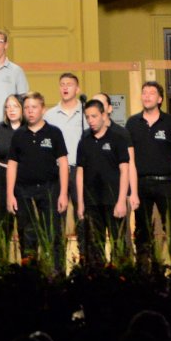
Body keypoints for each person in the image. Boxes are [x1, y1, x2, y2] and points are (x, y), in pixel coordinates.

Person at [124, 80, 171, 266]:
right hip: (141, 183)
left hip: (166, 182)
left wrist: (170, 165)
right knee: (143, 229)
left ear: (159, 98)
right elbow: (129, 155)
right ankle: (144, 268)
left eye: (151, 93)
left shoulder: (169, 122)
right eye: (144, 93)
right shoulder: (132, 122)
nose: (147, 96)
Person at [6, 93, 68, 263]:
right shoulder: (18, 135)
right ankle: (30, 275)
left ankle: (56, 275)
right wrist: (10, 194)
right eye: (26, 108)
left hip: (50, 189)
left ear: (43, 109)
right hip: (24, 191)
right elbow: (12, 165)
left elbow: (63, 163)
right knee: (27, 235)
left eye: (34, 107)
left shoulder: (54, 133)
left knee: (53, 234)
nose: (30, 111)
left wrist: (63, 193)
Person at [74, 98, 129, 265]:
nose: (90, 120)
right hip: (92, 201)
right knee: (95, 246)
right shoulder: (84, 142)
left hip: (113, 200)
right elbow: (80, 173)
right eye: (88, 117)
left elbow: (124, 170)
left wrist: (121, 201)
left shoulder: (117, 139)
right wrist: (81, 203)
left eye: (94, 116)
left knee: (118, 244)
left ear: (104, 115)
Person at [0, 94, 26, 257]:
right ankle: (1, 268)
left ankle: (27, 265)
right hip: (1, 178)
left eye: (15, 106)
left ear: (22, 108)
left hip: (23, 180)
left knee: (24, 225)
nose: (11, 110)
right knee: (2, 226)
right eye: (8, 107)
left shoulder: (28, 129)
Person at [44, 73, 87, 164]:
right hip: (56, 168)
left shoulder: (86, 113)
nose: (65, 87)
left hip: (81, 168)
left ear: (77, 89)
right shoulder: (49, 115)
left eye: (69, 85)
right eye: (62, 85)